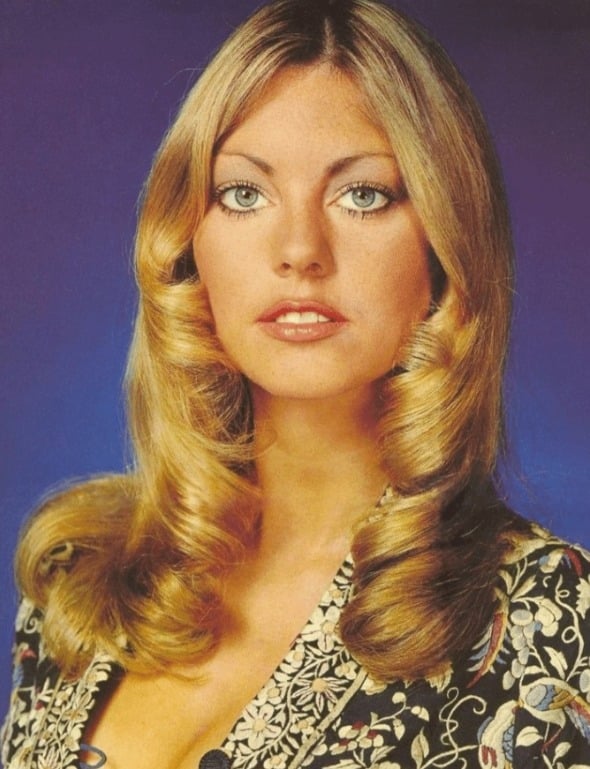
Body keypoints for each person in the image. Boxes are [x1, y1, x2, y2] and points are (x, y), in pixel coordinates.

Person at [2, 0, 590, 767]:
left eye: (363, 194)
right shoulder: (83, 581)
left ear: (445, 247)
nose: (301, 249)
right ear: (188, 242)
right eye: (245, 193)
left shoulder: (543, 613)